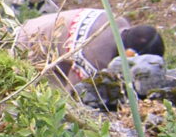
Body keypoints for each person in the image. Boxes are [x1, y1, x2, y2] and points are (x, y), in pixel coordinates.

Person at [14, 8, 164, 88]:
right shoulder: (97, 55)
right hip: (26, 46)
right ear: (130, 54)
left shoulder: (119, 21)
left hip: (36, 26)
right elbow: (74, 95)